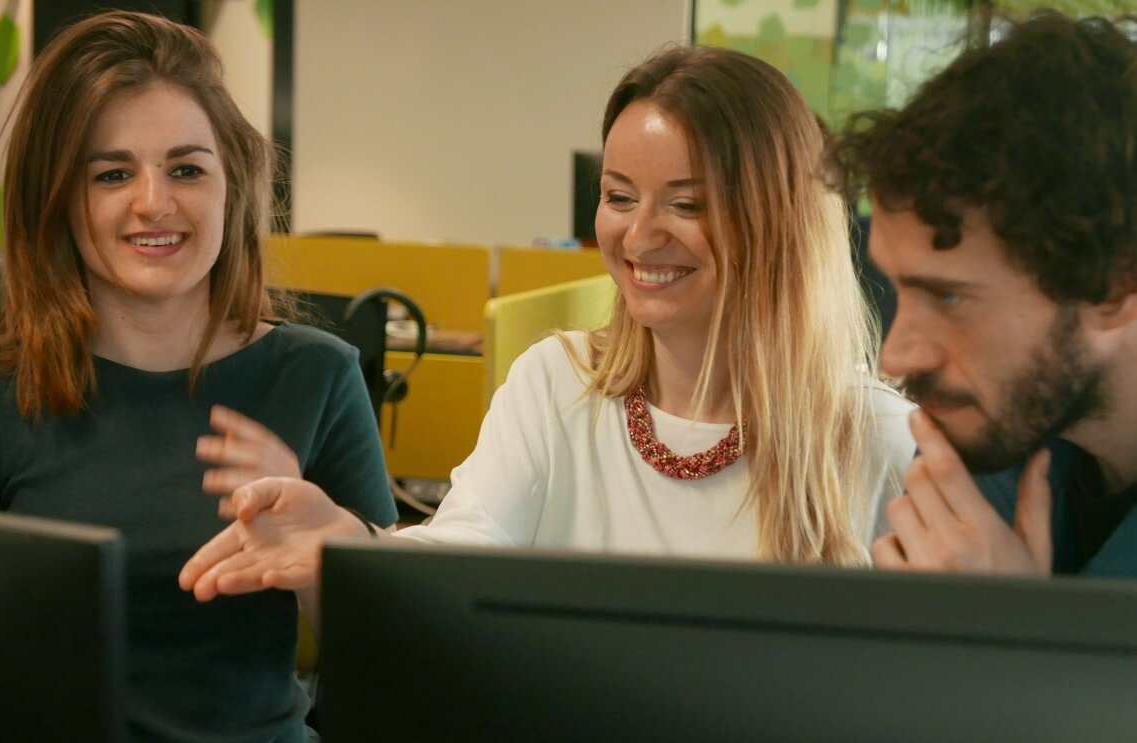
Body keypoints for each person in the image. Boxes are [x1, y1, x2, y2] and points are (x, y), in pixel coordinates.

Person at [179, 46, 915, 613]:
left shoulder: (879, 437)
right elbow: (460, 561)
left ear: (779, 223)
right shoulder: (557, 384)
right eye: (619, 196)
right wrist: (349, 542)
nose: (638, 234)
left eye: (686, 205)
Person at [0, 11, 397, 741]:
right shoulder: (6, 387)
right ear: (57, 196)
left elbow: (397, 663)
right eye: (112, 173)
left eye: (186, 168)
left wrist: (325, 551)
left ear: (231, 183)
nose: (156, 201)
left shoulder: (315, 374)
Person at [826, 11, 1137, 578]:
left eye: (947, 298)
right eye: (899, 288)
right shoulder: (988, 437)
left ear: (1114, 285)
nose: (894, 358)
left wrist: (1014, 634)